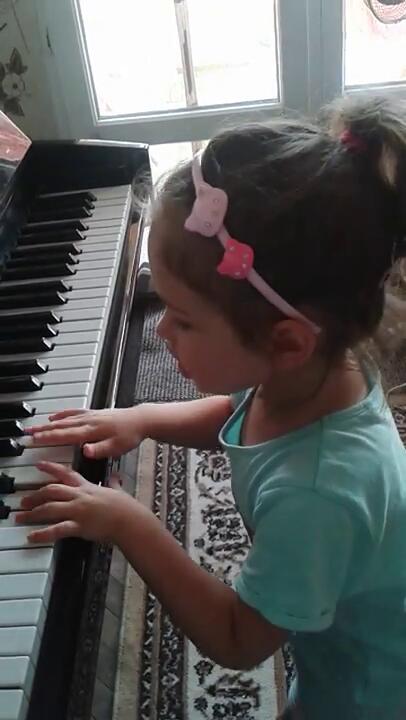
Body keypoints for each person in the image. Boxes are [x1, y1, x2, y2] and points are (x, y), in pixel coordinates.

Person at [17, 94, 406, 719]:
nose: (161, 331)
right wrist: (142, 418)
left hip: (365, 695)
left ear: (286, 342)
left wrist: (129, 522)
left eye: (185, 318)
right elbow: (238, 410)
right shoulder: (316, 370)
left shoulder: (319, 492)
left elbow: (237, 639)